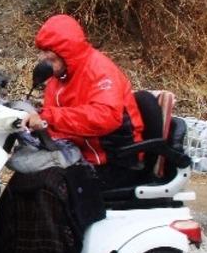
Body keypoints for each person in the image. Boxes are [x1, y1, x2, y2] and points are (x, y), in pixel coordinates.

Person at [21, 14, 144, 189]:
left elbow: (106, 116)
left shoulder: (100, 70)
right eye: (44, 55)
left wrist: (48, 118)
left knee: (48, 187)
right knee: (25, 179)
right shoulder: (59, 77)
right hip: (82, 154)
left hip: (115, 161)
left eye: (52, 57)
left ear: (66, 52)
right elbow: (55, 122)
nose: (46, 62)